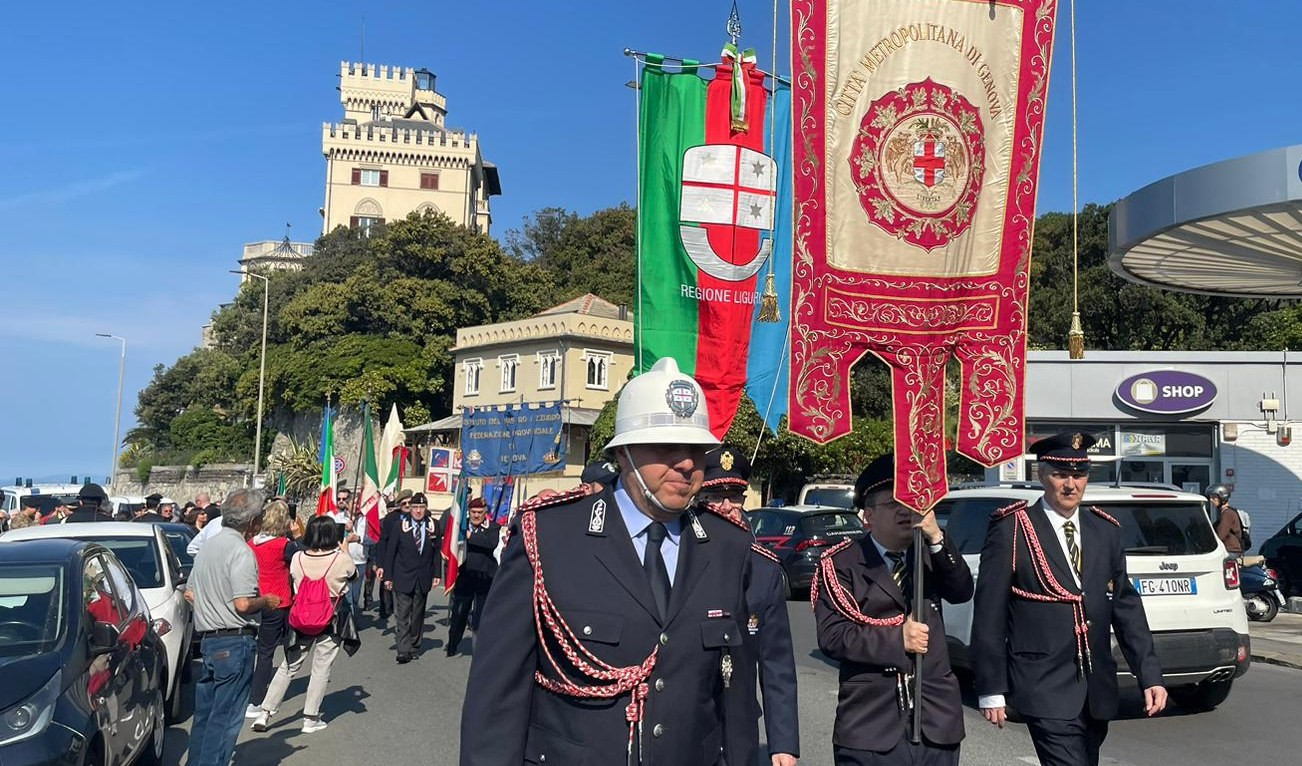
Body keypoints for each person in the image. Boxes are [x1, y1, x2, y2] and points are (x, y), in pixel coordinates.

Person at [460, 357, 758, 766]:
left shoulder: (727, 545)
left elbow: (736, 696)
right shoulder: (549, 535)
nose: (687, 463)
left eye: (695, 449)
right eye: (666, 446)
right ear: (623, 454)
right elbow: (497, 695)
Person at [973, 432, 1167, 766]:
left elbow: (1126, 608)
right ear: (1041, 475)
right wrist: (991, 687)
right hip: (1042, 683)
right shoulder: (1014, 529)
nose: (1070, 485)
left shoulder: (1105, 530)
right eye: (1060, 475)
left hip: (1096, 687)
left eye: (1079, 475)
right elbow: (989, 613)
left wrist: (1149, 675)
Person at [814, 453, 973, 766]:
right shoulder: (843, 563)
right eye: (893, 503)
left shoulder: (930, 553)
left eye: (909, 502)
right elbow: (833, 636)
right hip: (871, 722)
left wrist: (936, 537)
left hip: (935, 721)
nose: (904, 511)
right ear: (869, 516)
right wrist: (897, 639)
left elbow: (961, 591)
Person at [699, 444, 800, 766]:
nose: (727, 507)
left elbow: (777, 664)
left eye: (734, 497)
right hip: (685, 722)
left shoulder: (764, 569)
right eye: (715, 497)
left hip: (738, 722)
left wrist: (783, 743)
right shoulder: (678, 559)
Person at [186, 488, 280, 766]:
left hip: (209, 639)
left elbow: (189, 593)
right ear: (252, 522)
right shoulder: (241, 551)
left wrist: (211, 605)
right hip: (234, 639)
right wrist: (267, 601)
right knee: (225, 719)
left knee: (206, 716)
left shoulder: (207, 546)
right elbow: (242, 603)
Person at [251, 515, 356, 734]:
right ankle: (310, 717)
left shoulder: (298, 557)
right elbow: (352, 576)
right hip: (331, 616)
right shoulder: (340, 559)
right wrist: (345, 549)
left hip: (302, 615)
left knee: (289, 664)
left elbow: (293, 578)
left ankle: (265, 712)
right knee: (321, 667)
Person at [245, 500, 300, 719]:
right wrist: (297, 537)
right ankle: (265, 696)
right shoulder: (284, 545)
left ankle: (253, 698)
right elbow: (302, 559)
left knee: (261, 651)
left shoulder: (252, 543)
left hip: (257, 599)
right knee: (281, 650)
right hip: (280, 601)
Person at [379, 492, 442, 662]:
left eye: (422, 507)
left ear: (426, 508)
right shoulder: (400, 526)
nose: (418, 511)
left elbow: (437, 551)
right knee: (402, 614)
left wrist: (437, 573)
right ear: (410, 509)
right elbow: (391, 552)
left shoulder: (433, 525)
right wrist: (388, 576)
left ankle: (415, 645)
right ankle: (403, 649)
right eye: (415, 507)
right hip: (403, 575)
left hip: (423, 575)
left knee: (418, 614)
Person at [445, 497, 498, 656]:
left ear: (485, 513)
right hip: (465, 576)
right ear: (468, 512)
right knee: (459, 613)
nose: (476, 515)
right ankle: (453, 644)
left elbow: (491, 543)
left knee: (481, 616)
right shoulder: (460, 526)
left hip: (484, 577)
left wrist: (470, 536)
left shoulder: (492, 527)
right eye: (473, 512)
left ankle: (479, 648)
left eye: (480, 512)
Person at [374, 490, 413, 621]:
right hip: (396, 563)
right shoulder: (391, 519)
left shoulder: (421, 518)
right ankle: (400, 622)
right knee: (399, 598)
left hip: (414, 565)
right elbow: (383, 542)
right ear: (399, 505)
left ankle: (408, 622)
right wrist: (380, 564)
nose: (407, 505)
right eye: (404, 503)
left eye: (409, 502)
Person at [345, 502, 369, 617]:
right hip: (345, 561)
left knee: (355, 595)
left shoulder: (366, 520)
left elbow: (373, 539)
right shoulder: (342, 518)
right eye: (353, 503)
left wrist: (359, 538)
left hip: (360, 561)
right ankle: (349, 620)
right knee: (347, 594)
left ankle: (353, 615)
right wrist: (346, 531)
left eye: (358, 503)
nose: (356, 506)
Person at [1207, 484, 1245, 556]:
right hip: (1229, 550)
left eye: (1214, 497)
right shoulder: (1225, 512)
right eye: (1210, 497)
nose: (1211, 500)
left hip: (1231, 551)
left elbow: (1220, 535)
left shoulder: (1228, 514)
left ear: (1223, 498)